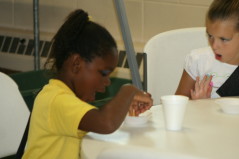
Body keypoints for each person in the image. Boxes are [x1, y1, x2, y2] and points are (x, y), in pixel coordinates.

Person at [22, 9, 153, 159]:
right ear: (77, 64)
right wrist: (128, 90)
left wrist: (124, 107)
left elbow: (101, 122)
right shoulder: (56, 100)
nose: (107, 81)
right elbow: (106, 123)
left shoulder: (68, 98)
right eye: (103, 73)